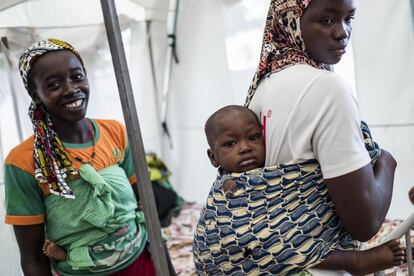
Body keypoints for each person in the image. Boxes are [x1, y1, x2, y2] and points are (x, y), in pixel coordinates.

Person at [3, 38, 175, 275]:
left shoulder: (115, 132)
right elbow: (32, 258)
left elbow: (147, 213)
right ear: (35, 93)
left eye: (77, 76)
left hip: (143, 263)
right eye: (54, 84)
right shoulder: (23, 162)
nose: (71, 89)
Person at [197, 104, 404, 275]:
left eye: (253, 137)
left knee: (290, 234)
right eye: (230, 144)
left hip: (280, 242)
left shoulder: (281, 176)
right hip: (238, 257)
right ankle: (353, 261)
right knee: (274, 241)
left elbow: (301, 206)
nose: (244, 148)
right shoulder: (223, 191)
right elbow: (212, 236)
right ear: (213, 157)